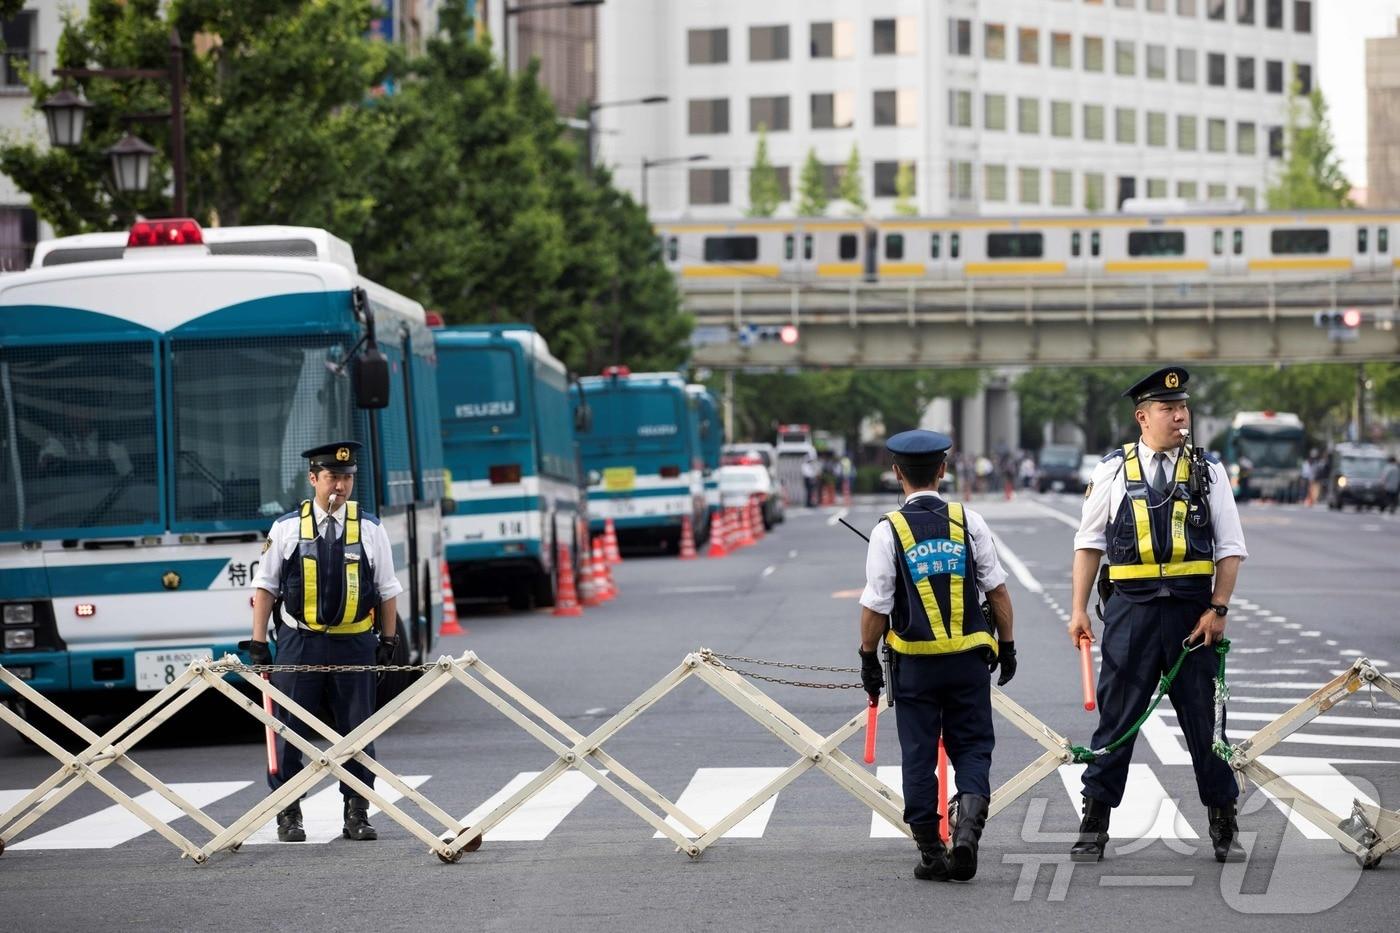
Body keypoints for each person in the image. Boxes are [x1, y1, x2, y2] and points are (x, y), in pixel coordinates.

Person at [1067, 367, 1247, 864]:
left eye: (1184, 407)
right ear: (1142, 417)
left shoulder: (1209, 471)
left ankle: (1222, 815)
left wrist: (1219, 610)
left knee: (1205, 721)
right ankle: (1095, 819)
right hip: (1131, 612)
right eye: (1169, 409)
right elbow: (1089, 544)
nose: (1180, 416)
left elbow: (1230, 548)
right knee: (1117, 720)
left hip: (1194, 615)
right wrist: (1078, 609)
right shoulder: (1111, 470)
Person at [857, 429, 1016, 882]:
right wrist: (1007, 646)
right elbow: (997, 590)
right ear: (943, 471)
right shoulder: (970, 521)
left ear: (897, 474)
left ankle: (932, 852)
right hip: (969, 660)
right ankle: (967, 833)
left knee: (919, 753)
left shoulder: (888, 530)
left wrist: (868, 657)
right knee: (972, 748)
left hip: (915, 665)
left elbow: (876, 604)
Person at [240, 441, 402, 843]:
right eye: (332, 477)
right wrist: (260, 643)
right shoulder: (287, 527)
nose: (340, 486)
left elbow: (386, 588)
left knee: (357, 730)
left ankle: (357, 809)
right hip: (300, 642)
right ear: (313, 478)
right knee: (289, 729)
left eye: (346, 478)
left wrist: (389, 638)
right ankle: (288, 811)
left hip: (354, 644)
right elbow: (266, 587)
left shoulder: (369, 527)